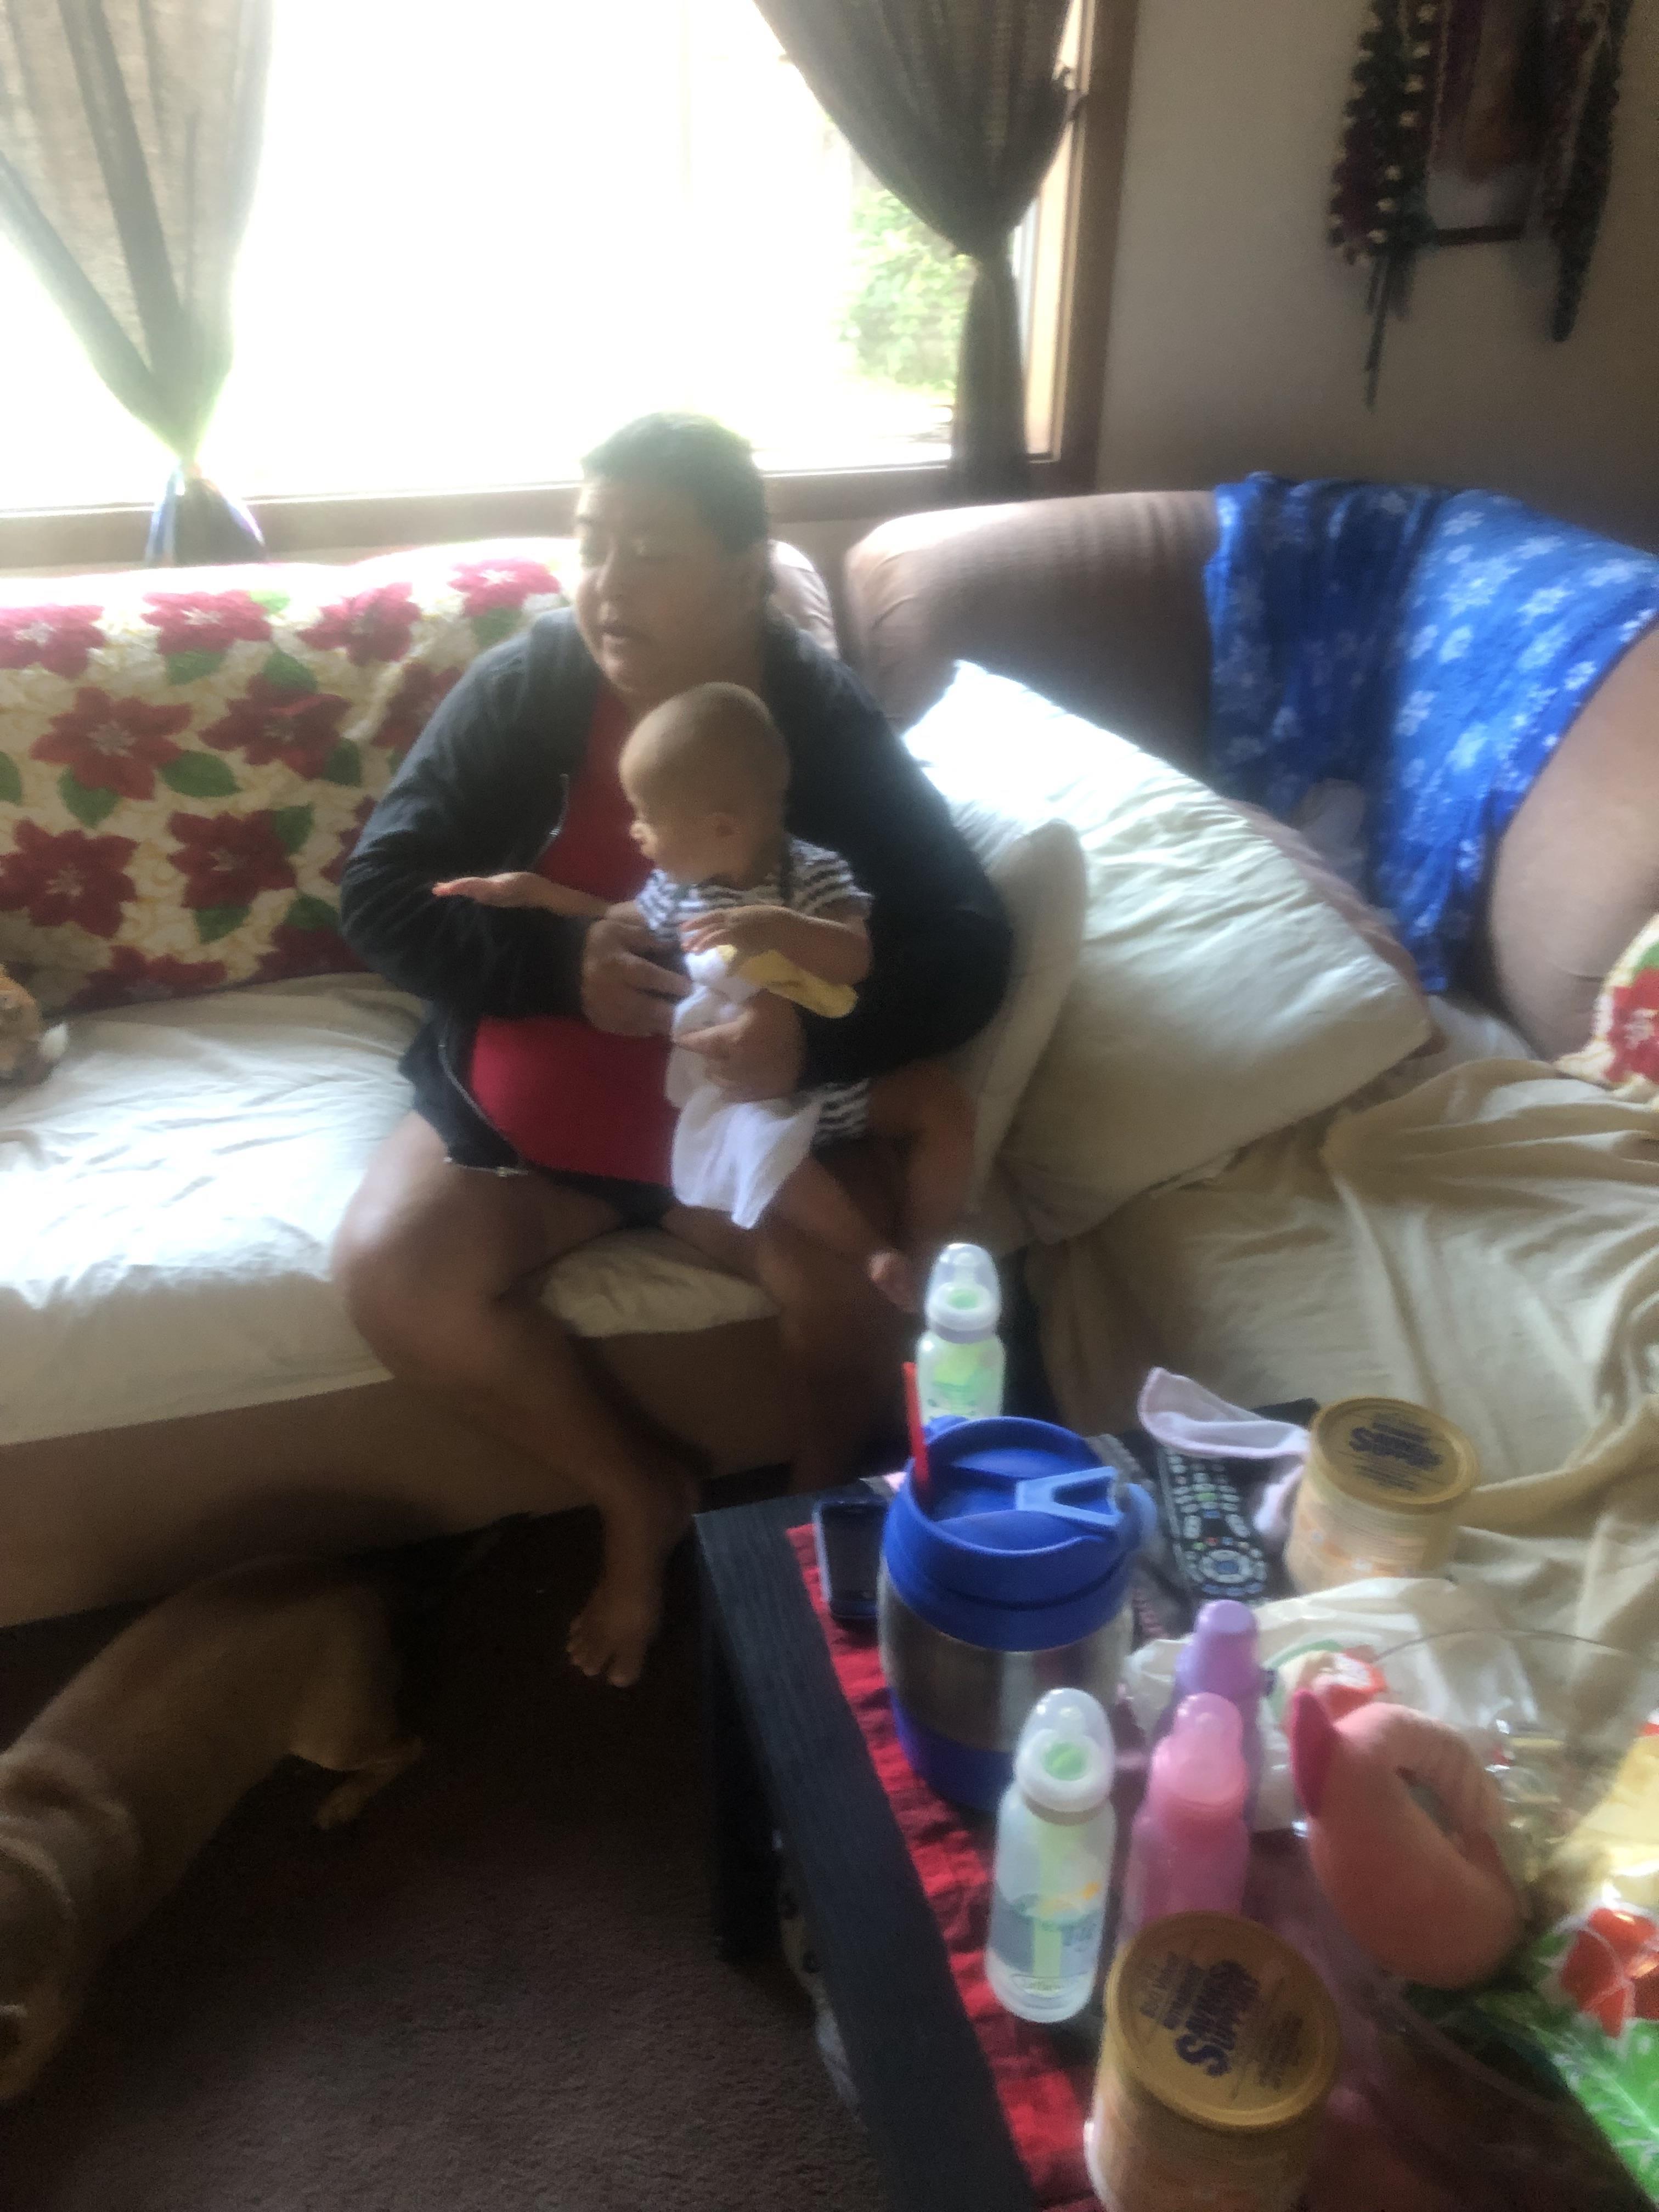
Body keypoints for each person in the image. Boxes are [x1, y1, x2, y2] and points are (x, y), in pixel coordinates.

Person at [333, 413, 1010, 1688]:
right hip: (541, 1116)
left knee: (853, 1302)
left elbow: (969, 941)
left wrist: (805, 1031)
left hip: (739, 1120)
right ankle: (639, 1495)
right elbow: (379, 893)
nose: (605, 582)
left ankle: (802, 1547)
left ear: (747, 571)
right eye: (590, 544)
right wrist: (549, 968)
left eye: (649, 550)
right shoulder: (531, 686)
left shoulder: (810, 716)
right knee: (392, 1277)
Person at [434, 679, 975, 1311]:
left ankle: (935, 1255)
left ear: (721, 829)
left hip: (839, 1079)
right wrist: (535, 893)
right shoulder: (677, 889)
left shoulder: (812, 871)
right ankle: (872, 1253)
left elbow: (855, 958)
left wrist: (780, 928)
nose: (634, 831)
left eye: (647, 815)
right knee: (766, 1158)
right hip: (751, 1097)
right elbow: (620, 921)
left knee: (943, 1104)